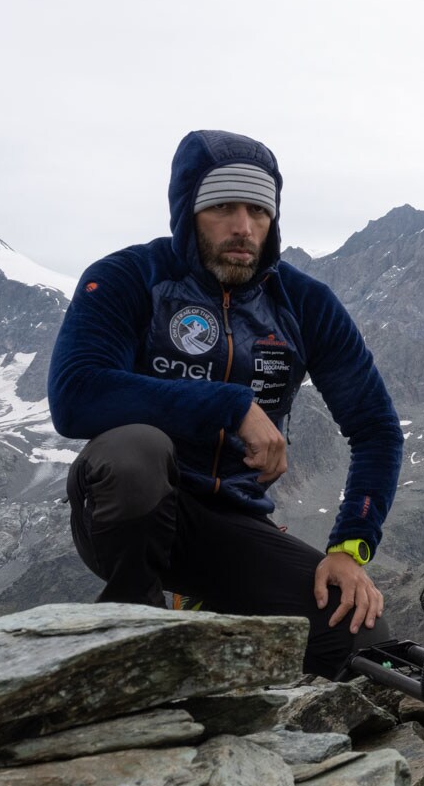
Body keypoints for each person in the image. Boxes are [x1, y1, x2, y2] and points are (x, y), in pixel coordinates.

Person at [48, 129, 404, 677]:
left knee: (357, 635)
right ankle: (134, 637)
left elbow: (376, 428)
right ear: (187, 210)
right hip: (126, 511)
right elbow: (75, 395)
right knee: (136, 450)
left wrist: (351, 546)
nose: (243, 227)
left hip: (229, 524)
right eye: (222, 208)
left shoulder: (305, 304)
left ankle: (204, 613)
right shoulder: (129, 278)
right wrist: (229, 404)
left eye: (259, 211)